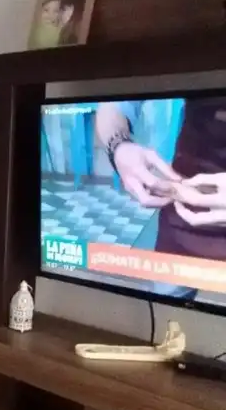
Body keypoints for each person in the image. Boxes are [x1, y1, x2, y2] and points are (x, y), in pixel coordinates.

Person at [96, 97, 226, 297]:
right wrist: (119, 146)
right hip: (183, 219)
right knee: (165, 306)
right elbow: (115, 101)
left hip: (186, 209)